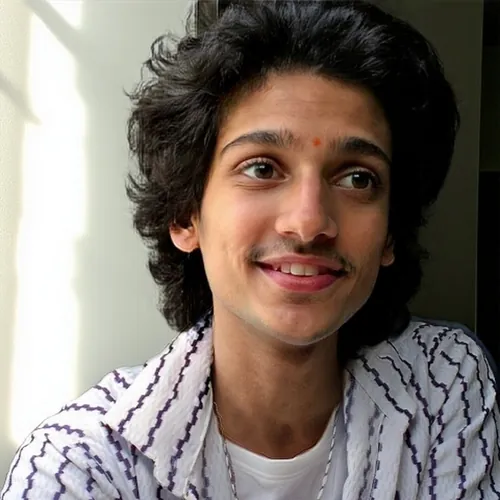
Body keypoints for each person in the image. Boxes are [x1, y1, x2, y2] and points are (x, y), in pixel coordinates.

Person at [2, 0, 499, 498]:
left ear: (389, 232)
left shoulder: (442, 381)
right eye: (262, 168)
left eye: (357, 178)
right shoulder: (78, 465)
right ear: (185, 215)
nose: (309, 223)